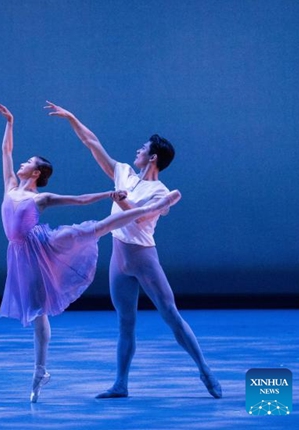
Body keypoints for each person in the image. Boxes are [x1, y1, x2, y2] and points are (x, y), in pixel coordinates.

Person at [0, 101, 181, 403]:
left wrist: (108, 194)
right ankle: (41, 370)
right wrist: (10, 122)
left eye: (28, 162)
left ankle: (152, 208)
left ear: (37, 172)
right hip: (20, 256)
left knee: (95, 228)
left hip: (45, 245)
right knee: (38, 312)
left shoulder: (42, 198)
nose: (21, 163)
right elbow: (6, 152)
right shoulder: (10, 185)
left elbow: (79, 201)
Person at [45, 100, 222, 399]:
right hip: (119, 258)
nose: (136, 151)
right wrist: (71, 117)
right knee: (125, 322)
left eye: (142, 149)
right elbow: (93, 143)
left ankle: (205, 370)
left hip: (143, 259)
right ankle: (121, 384)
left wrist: (122, 199)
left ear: (152, 158)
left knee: (170, 315)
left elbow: (138, 214)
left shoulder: (160, 192)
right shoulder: (124, 173)